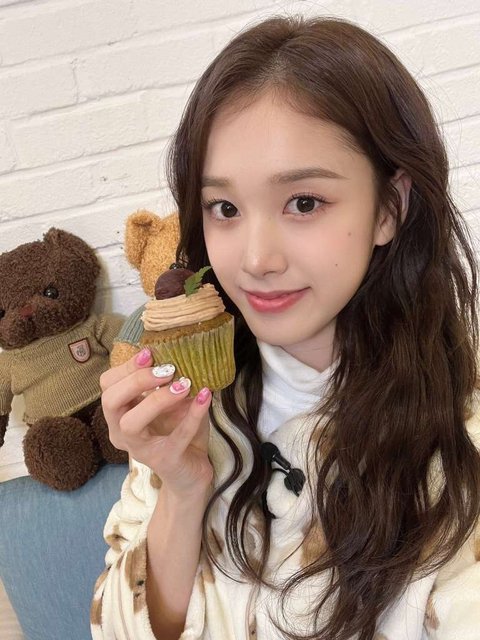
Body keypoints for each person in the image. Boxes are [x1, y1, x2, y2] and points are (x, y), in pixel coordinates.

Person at [91, 14, 480, 640]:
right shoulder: (187, 407)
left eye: (303, 202)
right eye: (225, 208)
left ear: (390, 207)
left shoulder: (461, 439)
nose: (255, 259)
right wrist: (183, 488)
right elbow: (115, 629)